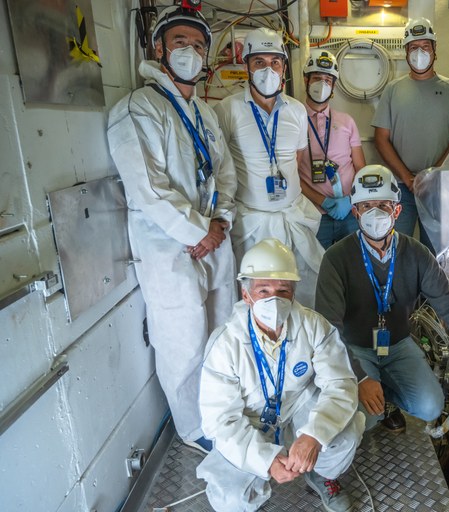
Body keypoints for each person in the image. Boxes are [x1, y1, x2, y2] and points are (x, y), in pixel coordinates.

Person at [107, 5, 236, 453]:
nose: (190, 51)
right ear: (158, 47)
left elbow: (225, 174)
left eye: (199, 44)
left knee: (222, 327)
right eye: (180, 41)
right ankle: (194, 427)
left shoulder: (204, 111)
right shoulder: (138, 108)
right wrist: (198, 231)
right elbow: (148, 189)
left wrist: (220, 223)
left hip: (214, 239)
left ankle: (225, 411)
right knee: (182, 338)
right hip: (170, 247)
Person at [315, 165, 449, 433]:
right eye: (366, 206)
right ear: (355, 212)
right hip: (354, 348)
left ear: (397, 211)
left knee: (430, 406)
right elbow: (327, 328)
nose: (375, 213)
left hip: (398, 344)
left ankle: (385, 396)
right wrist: (362, 377)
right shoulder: (336, 258)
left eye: (383, 205)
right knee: (362, 418)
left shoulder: (417, 254)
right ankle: (375, 393)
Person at [197, 239, 364, 512]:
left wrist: (314, 435)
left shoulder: (314, 326)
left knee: (347, 432)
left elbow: (340, 384)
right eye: (263, 290)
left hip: (298, 412)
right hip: (251, 424)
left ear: (294, 293)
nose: (273, 299)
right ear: (246, 294)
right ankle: (260, 479)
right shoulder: (225, 344)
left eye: (282, 290)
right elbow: (220, 421)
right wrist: (265, 461)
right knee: (229, 501)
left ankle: (320, 475)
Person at [214, 27, 324, 308]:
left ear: (284, 66)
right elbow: (221, 166)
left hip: (292, 218)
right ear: (247, 66)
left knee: (304, 296)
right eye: (259, 62)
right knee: (257, 299)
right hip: (251, 224)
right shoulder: (227, 110)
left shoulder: (297, 110)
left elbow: (296, 160)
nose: (268, 70)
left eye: (275, 62)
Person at [372, 17, 449, 254]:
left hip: (439, 188)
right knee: (398, 248)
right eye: (414, 47)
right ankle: (402, 292)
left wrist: (431, 176)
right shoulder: (393, 90)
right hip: (400, 187)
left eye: (425, 47)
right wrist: (408, 178)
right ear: (406, 52)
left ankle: (431, 293)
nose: (420, 53)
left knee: (437, 251)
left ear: (435, 50)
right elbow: (381, 139)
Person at [297, 50, 366, 248]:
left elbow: (361, 167)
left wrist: (352, 199)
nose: (322, 84)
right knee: (318, 270)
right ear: (306, 80)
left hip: (349, 212)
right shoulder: (294, 118)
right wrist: (323, 201)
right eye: (317, 78)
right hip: (313, 213)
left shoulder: (347, 121)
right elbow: (291, 173)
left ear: (334, 86)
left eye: (328, 80)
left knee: (352, 267)